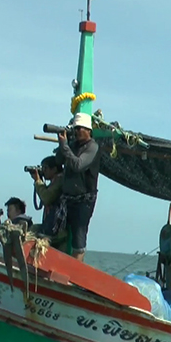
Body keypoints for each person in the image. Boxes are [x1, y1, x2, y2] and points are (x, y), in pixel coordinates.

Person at [55, 112, 100, 262]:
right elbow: (58, 160)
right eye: (76, 129)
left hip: (84, 201)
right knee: (58, 233)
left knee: (79, 240)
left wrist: (65, 147)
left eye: (81, 128)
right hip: (68, 199)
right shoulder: (73, 145)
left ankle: (74, 271)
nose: (78, 131)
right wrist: (62, 144)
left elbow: (78, 165)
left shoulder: (92, 147)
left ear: (88, 130)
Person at [29, 156, 70, 252]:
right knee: (32, 229)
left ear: (54, 169)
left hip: (58, 229)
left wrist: (38, 181)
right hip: (52, 225)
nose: (44, 171)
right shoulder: (56, 181)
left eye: (45, 168)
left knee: (32, 231)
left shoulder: (60, 180)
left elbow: (47, 198)